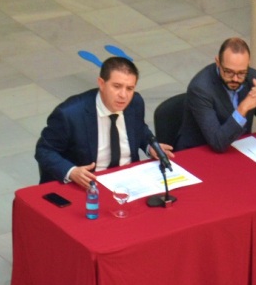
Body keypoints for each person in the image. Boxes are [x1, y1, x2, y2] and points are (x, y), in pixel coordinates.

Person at [35, 56, 172, 187]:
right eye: (117, 86)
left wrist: (150, 146)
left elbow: (139, 128)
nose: (123, 95)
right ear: (101, 83)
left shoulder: (135, 102)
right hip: (89, 183)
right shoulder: (69, 114)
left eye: (130, 88)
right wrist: (72, 172)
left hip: (130, 180)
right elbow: (44, 151)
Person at [177, 37, 256, 152]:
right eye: (228, 72)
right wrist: (243, 108)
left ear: (248, 65)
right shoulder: (201, 88)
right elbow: (217, 142)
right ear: (218, 62)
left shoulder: (253, 78)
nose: (235, 79)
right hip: (199, 152)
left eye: (241, 73)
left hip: (238, 149)